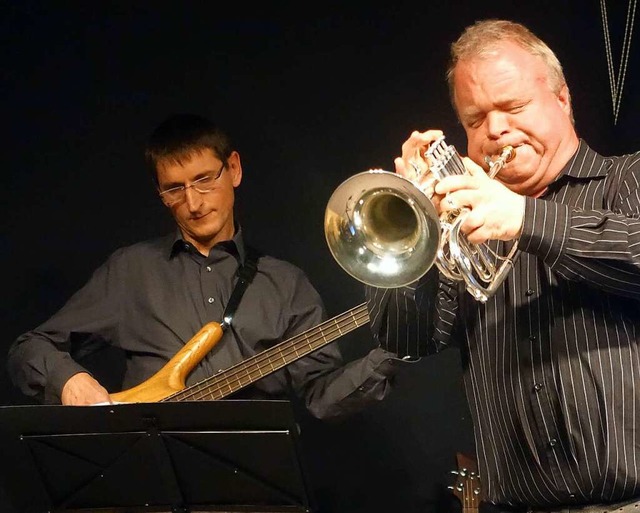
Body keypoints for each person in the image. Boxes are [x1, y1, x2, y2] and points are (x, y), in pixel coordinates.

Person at [365, 19, 640, 513]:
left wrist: (524, 217)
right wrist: (419, 230)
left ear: (562, 100)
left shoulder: (628, 179)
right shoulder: (465, 225)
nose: (494, 130)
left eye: (513, 107)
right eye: (474, 120)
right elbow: (405, 339)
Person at [7, 113, 402, 420]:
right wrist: (71, 382)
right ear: (159, 192)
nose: (194, 203)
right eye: (175, 189)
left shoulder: (286, 285)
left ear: (234, 169)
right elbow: (30, 348)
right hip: (150, 487)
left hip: (254, 492)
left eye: (204, 179)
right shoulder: (132, 271)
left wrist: (394, 352)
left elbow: (323, 398)